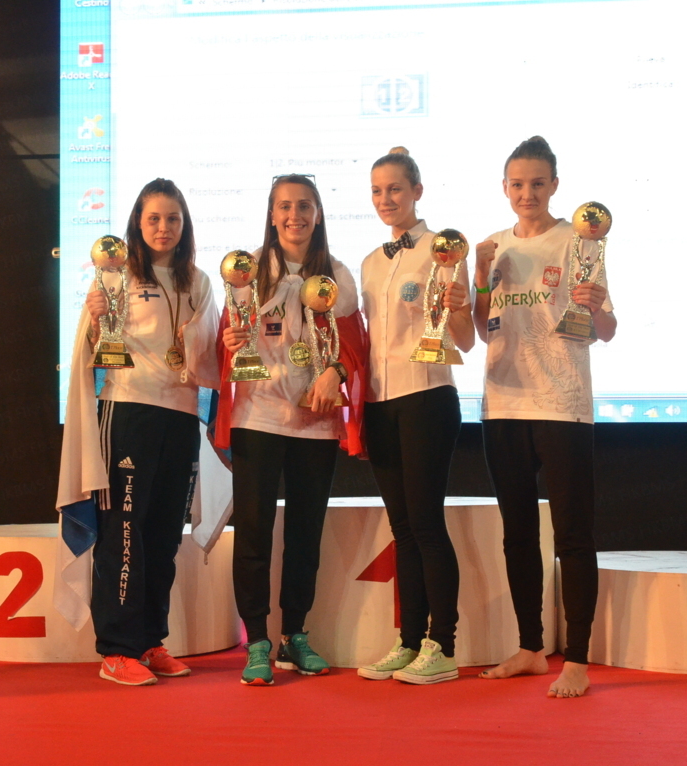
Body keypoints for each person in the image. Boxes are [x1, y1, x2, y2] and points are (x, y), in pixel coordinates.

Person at [58, 178, 219, 686]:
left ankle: (150, 640)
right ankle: (117, 648)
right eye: (154, 218)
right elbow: (92, 349)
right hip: (127, 410)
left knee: (164, 535)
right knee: (123, 530)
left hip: (181, 414)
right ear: (137, 223)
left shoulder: (199, 281)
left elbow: (211, 353)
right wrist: (95, 320)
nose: (163, 228)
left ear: (184, 224)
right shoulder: (117, 275)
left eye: (173, 219)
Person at [472, 136, 617, 698]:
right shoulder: (494, 246)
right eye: (517, 184)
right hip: (503, 405)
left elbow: (607, 330)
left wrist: (596, 306)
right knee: (517, 535)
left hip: (563, 406)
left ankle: (576, 659)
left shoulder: (577, 241)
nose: (526, 193)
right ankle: (531, 648)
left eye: (537, 183)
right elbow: (482, 328)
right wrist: (479, 277)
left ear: (554, 184)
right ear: (504, 187)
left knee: (573, 536)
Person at [214, 174, 368, 686]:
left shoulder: (337, 275)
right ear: (271, 214)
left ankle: (294, 635)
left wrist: (335, 371)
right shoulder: (248, 271)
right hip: (257, 417)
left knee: (305, 536)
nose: (294, 215)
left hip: (315, 423)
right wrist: (229, 341)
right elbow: (225, 342)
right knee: (253, 533)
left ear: (318, 214)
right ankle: (258, 640)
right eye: (284, 206)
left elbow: (355, 345)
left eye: (304, 206)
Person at [356, 148, 475, 685]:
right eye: (377, 191)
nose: (386, 199)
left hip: (427, 396)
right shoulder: (370, 262)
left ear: (417, 192)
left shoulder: (442, 249)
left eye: (396, 189)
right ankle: (408, 642)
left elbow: (465, 341)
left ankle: (442, 645)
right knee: (402, 528)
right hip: (380, 404)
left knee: (426, 524)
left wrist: (458, 307)